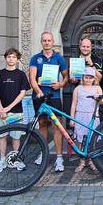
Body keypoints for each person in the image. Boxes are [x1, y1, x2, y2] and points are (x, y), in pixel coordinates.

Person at [29, 31, 69, 172]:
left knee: (56, 126)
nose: (47, 43)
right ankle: (43, 153)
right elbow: (32, 78)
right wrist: (38, 91)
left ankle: (59, 158)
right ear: (42, 42)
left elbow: (66, 76)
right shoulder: (35, 58)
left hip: (55, 97)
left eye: (49, 40)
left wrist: (61, 85)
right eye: (44, 40)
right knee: (42, 125)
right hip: (39, 96)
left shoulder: (59, 58)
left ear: (53, 42)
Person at [0, 48, 30, 173]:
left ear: (17, 60)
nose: (11, 59)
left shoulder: (21, 75)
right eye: (9, 57)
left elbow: (22, 93)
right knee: (2, 136)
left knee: (16, 136)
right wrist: (1, 107)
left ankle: (15, 158)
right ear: (5, 58)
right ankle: (2, 159)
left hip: (16, 111)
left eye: (14, 57)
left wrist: (8, 108)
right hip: (0, 112)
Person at [69, 67, 103, 172]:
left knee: (92, 139)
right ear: (82, 78)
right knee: (80, 139)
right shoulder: (78, 89)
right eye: (86, 77)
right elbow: (74, 104)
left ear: (94, 79)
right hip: (80, 115)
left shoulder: (97, 88)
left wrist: (99, 98)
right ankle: (82, 161)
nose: (88, 80)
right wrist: (72, 118)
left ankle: (92, 161)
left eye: (90, 78)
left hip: (92, 116)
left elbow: (102, 102)